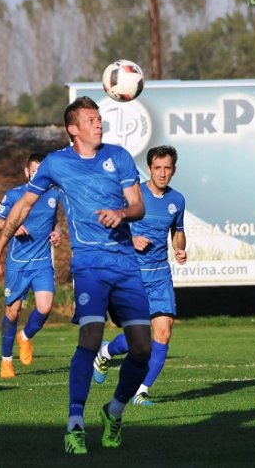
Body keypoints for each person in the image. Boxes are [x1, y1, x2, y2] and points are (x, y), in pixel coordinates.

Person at [0, 96, 151, 455]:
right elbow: (23, 206)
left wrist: (122, 213)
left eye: (99, 118)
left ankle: (115, 411)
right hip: (89, 264)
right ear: (73, 129)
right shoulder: (56, 164)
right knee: (90, 339)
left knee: (142, 348)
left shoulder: (118, 156)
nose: (99, 123)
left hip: (125, 264)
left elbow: (138, 205)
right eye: (91, 119)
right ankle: (74, 424)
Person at [92, 145, 187, 406]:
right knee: (140, 339)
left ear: (174, 170)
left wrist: (179, 247)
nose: (163, 173)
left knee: (163, 332)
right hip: (132, 275)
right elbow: (108, 227)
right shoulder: (134, 196)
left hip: (160, 276)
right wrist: (131, 238)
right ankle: (106, 352)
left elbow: (178, 231)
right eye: (158, 167)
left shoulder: (177, 200)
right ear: (149, 169)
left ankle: (141, 391)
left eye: (168, 168)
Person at [0, 153, 62, 379]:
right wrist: (12, 226)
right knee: (12, 312)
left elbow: (55, 220)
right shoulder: (14, 195)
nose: (37, 174)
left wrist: (57, 231)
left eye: (42, 171)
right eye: (34, 170)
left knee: (45, 307)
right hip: (18, 264)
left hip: (42, 262)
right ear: (26, 172)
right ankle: (6, 361)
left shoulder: (53, 194)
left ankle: (25, 337)